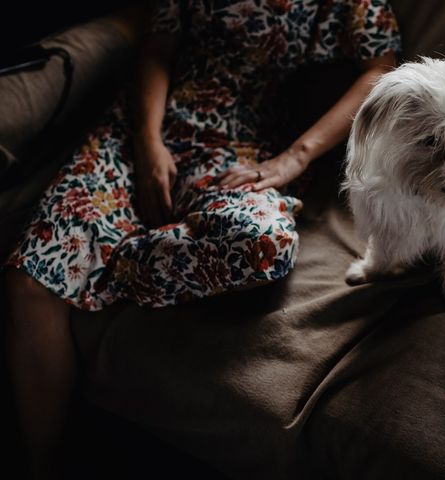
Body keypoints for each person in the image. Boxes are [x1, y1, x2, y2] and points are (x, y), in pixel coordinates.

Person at [3, 0, 401, 477]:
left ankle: (105, 261)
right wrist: (148, 144)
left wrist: (298, 156)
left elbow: (381, 68)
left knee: (263, 244)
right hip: (138, 134)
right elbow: (158, 45)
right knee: (29, 284)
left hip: (242, 152)